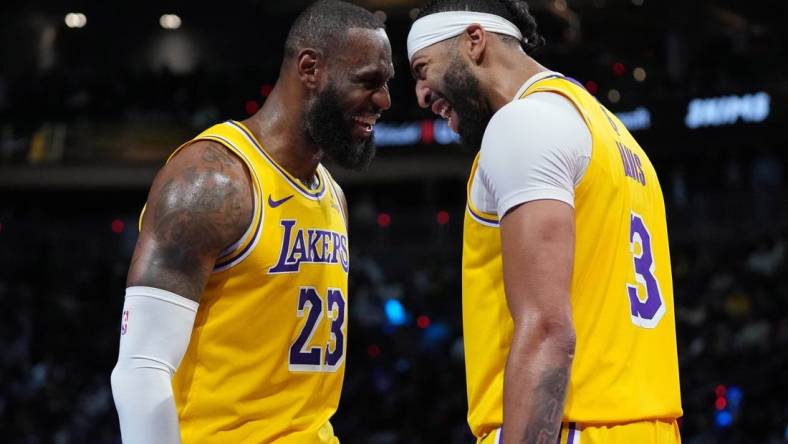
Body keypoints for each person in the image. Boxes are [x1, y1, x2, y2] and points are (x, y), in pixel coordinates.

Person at [110, 1, 394, 443]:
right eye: (368, 82)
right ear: (310, 68)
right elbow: (141, 368)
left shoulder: (331, 193)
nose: (384, 100)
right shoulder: (212, 180)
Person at [406, 1, 682, 443]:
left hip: (571, 426)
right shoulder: (610, 131)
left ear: (474, 41)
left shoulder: (523, 122)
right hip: (646, 426)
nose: (420, 94)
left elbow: (547, 330)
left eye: (423, 69)